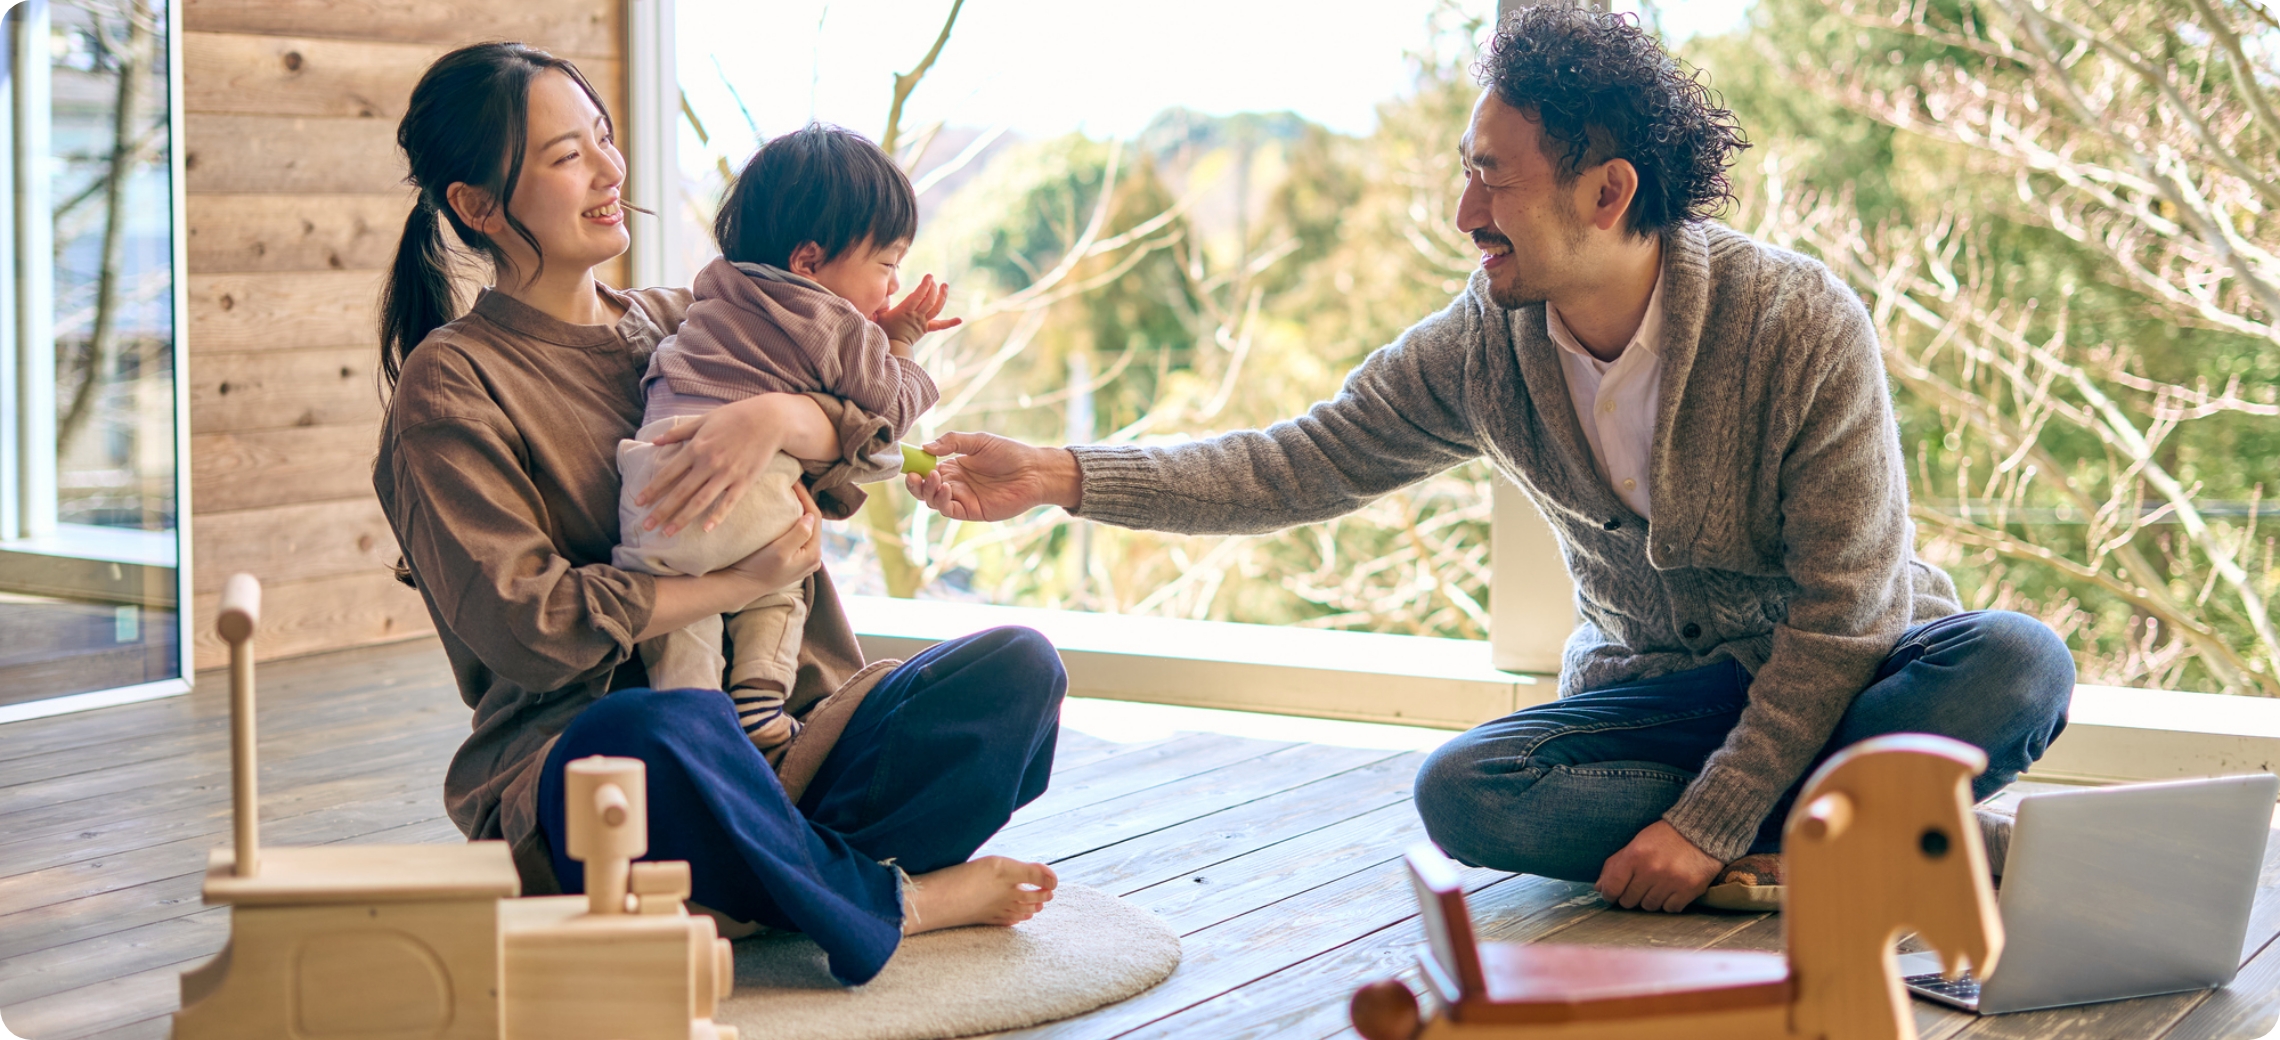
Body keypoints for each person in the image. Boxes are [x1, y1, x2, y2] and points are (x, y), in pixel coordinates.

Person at [903, 4, 2073, 914]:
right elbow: (1293, 464)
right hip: (1657, 702)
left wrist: (1707, 820)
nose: (1464, 208)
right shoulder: (1483, 343)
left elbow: (1846, 611)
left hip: (1846, 669)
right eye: (1467, 168)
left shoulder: (1795, 321)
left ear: (1608, 192)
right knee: (1463, 793)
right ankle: (1869, 828)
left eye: (1493, 175)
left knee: (2019, 665)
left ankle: (1754, 842)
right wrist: (1062, 474)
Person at [370, 42, 1061, 986]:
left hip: (789, 739)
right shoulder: (451, 385)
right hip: (613, 775)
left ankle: (756, 885)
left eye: (604, 138)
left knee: (1018, 673)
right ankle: (892, 901)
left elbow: (855, 447)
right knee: (657, 727)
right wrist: (740, 582)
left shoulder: (677, 317)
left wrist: (778, 418)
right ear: (477, 206)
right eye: (566, 155)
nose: (609, 170)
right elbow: (530, 628)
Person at [614, 124, 959, 761]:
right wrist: (904, 340)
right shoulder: (835, 321)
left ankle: (688, 717)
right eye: (886, 265)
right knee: (779, 584)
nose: (889, 288)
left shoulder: (715, 291)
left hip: (652, 493)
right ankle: (758, 702)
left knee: (681, 615)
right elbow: (889, 407)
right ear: (807, 262)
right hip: (741, 495)